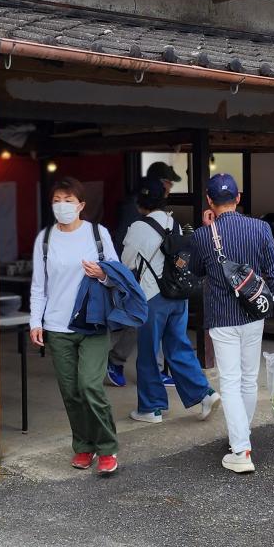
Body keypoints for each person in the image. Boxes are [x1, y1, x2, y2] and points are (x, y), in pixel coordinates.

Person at [185, 173, 274, 474]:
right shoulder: (260, 229)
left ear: (209, 200)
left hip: (221, 318)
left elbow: (193, 270)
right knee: (248, 379)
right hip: (253, 314)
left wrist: (206, 229)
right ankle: (241, 438)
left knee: (230, 382)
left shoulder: (202, 236)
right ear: (238, 198)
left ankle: (241, 449)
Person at [29, 178, 120, 476]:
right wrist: (36, 321)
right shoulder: (45, 238)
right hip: (57, 326)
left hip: (92, 322)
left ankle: (107, 447)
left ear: (81, 205)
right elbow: (39, 285)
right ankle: (83, 445)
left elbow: (118, 276)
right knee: (71, 391)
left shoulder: (97, 234)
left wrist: (102, 274)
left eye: (68, 200)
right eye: (57, 200)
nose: (62, 206)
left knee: (90, 385)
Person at [119, 177, 220, 426]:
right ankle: (205, 394)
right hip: (178, 295)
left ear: (140, 202)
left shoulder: (137, 227)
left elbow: (126, 263)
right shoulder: (172, 221)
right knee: (178, 346)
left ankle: (151, 408)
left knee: (148, 353)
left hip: (152, 297)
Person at [108, 160, 183, 388]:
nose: (170, 188)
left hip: (157, 278)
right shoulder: (136, 207)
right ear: (160, 183)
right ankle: (118, 362)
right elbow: (126, 246)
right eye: (169, 183)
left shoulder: (163, 214)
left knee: (148, 324)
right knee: (141, 323)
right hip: (138, 276)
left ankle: (147, 367)